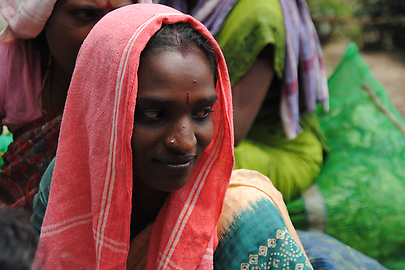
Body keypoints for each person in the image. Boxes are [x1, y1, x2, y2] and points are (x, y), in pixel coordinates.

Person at [32, 4, 313, 269]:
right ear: (104, 114)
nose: (185, 142)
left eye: (202, 113)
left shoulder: (245, 219)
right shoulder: (69, 187)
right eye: (155, 114)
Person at [158, 0, 329, 203]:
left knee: (181, 166)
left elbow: (232, 131)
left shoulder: (261, 16)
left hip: (278, 148)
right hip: (209, 132)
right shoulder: (193, 6)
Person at [0, 0, 151, 210]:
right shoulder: (10, 60)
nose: (105, 32)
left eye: (122, 14)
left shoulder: (155, 66)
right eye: (85, 14)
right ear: (46, 19)